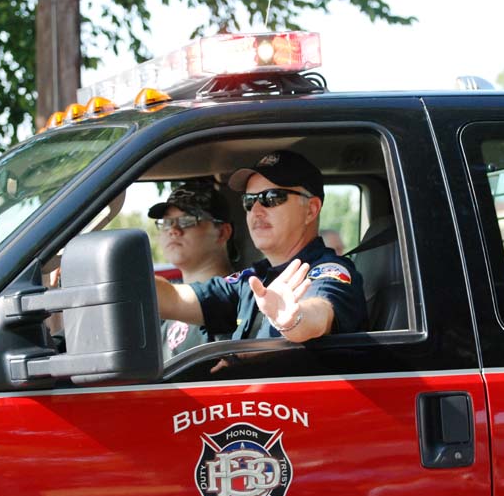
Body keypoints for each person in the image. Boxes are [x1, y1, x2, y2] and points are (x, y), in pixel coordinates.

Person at [155, 150, 367, 346]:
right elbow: (174, 299)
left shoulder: (328, 271)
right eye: (249, 201)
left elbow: (319, 313)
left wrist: (293, 319)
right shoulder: (251, 281)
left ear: (311, 210)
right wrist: (127, 280)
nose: (256, 210)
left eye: (272, 198)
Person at [148, 182, 234, 358]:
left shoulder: (236, 298)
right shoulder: (164, 305)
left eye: (187, 221)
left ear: (222, 232)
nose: (173, 230)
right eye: (167, 222)